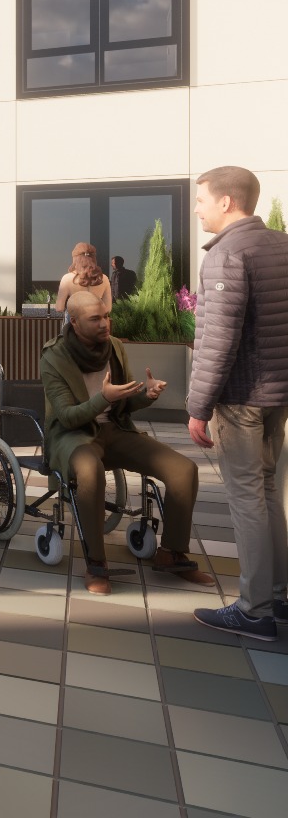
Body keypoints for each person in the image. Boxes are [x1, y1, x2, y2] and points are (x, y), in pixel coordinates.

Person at [43, 291, 215, 597]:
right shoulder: (54, 357)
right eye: (94, 319)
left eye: (106, 316)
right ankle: (96, 562)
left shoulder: (115, 347)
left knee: (184, 469)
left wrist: (144, 395)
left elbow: (123, 402)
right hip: (75, 436)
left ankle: (172, 552)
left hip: (116, 430)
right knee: (89, 470)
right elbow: (68, 418)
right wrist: (103, 398)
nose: (104, 324)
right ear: (74, 322)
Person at [187, 166, 288, 640]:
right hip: (278, 395)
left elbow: (218, 341)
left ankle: (254, 610)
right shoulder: (282, 246)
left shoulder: (226, 255)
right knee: (268, 493)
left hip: (242, 397)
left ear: (227, 202)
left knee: (247, 498)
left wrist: (198, 405)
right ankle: (281, 597)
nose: (197, 207)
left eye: (201, 199)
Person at [54, 243, 112, 315]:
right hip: (95, 324)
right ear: (93, 259)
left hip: (75, 324)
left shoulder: (67, 278)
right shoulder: (104, 279)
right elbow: (108, 309)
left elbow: (59, 308)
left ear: (75, 259)